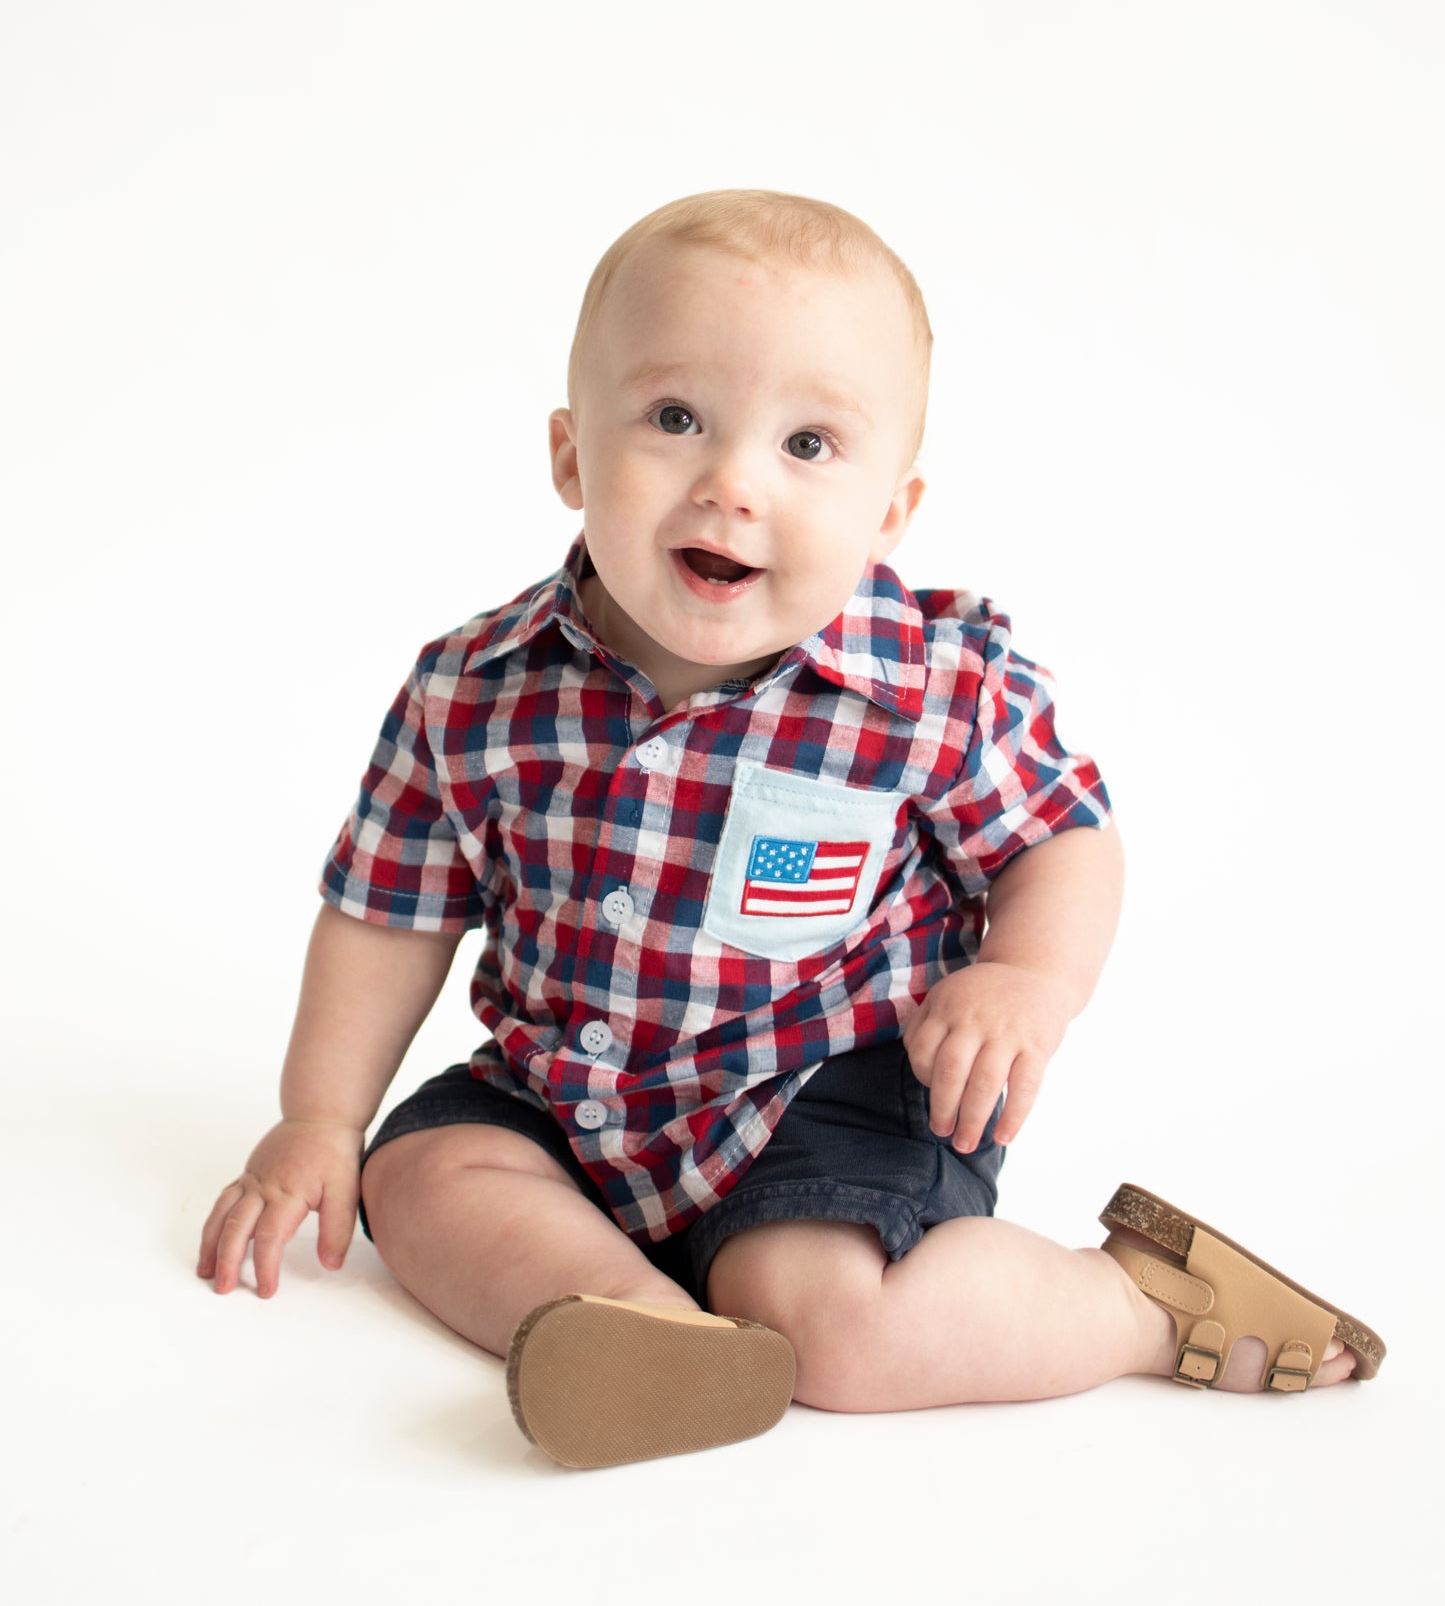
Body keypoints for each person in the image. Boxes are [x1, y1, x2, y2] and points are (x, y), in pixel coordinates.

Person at [196, 188, 1385, 1468]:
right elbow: (389, 906)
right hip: (568, 1093)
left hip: (825, 1092)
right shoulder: (476, 688)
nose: (731, 481)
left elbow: (1060, 836)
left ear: (888, 509)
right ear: (570, 456)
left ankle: (1136, 1305)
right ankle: (650, 1331)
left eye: (808, 444)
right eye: (672, 418)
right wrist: (318, 1116)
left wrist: (1023, 980)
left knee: (833, 1328)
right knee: (419, 1180)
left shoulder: (927, 687)